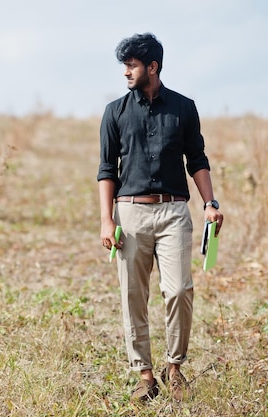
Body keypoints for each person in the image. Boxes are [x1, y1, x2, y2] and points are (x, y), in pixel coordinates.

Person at [96, 33, 223, 402]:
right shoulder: (114, 112)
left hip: (173, 212)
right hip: (131, 213)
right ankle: (145, 375)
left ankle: (174, 367)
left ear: (152, 67)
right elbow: (107, 169)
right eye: (124, 66)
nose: (126, 73)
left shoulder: (184, 108)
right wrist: (107, 220)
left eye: (132, 65)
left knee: (180, 289)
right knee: (133, 294)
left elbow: (196, 160)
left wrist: (210, 203)